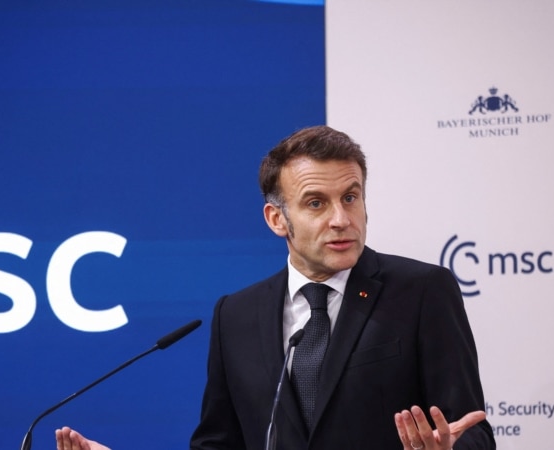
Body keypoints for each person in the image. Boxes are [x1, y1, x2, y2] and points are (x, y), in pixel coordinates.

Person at [55, 125, 495, 450]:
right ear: (276, 219)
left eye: (351, 196)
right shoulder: (235, 316)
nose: (341, 219)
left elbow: (472, 430)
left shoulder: (422, 291)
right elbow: (218, 444)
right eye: (316, 203)